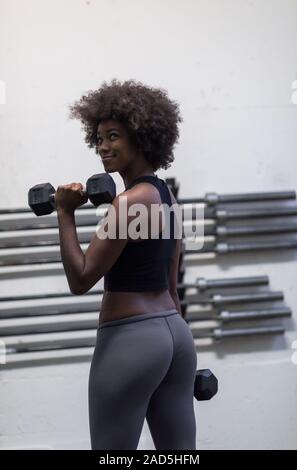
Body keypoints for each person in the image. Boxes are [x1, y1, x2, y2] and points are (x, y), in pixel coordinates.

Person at [55, 78, 197, 450]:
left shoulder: (130, 201)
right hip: (176, 339)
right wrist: (176, 346)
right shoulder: (168, 199)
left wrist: (65, 213)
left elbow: (82, 278)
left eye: (113, 136)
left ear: (141, 136)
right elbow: (171, 286)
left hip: (130, 340)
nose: (103, 147)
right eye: (99, 138)